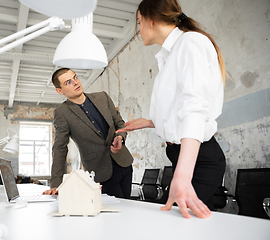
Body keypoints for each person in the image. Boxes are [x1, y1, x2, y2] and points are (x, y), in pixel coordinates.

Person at [116, 0, 226, 218]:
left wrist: (182, 177)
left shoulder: (191, 42)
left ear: (151, 20)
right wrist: (149, 122)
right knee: (191, 224)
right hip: (180, 156)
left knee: (177, 223)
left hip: (200, 159)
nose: (139, 30)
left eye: (139, 22)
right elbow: (179, 110)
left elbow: (194, 110)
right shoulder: (168, 55)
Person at [43, 68, 134, 199]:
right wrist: (56, 184)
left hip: (124, 163)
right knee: (114, 214)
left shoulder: (103, 97)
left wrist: (120, 138)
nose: (75, 82)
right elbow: (59, 148)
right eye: (68, 82)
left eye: (75, 77)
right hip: (100, 172)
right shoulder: (62, 113)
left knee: (129, 208)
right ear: (59, 91)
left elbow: (120, 124)